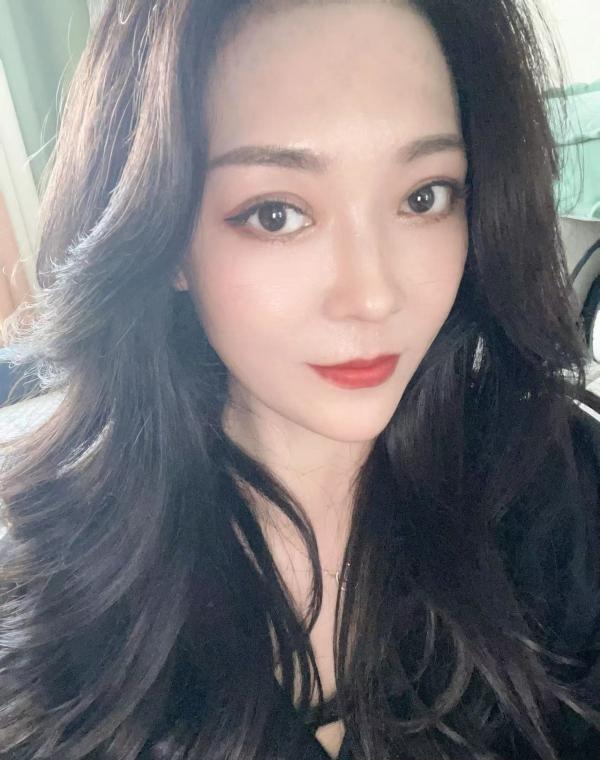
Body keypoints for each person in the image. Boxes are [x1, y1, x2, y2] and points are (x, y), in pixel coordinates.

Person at [1, 0, 600, 758]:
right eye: (276, 213)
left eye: (424, 197)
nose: (372, 296)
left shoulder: (556, 486)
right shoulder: (53, 590)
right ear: (166, 237)